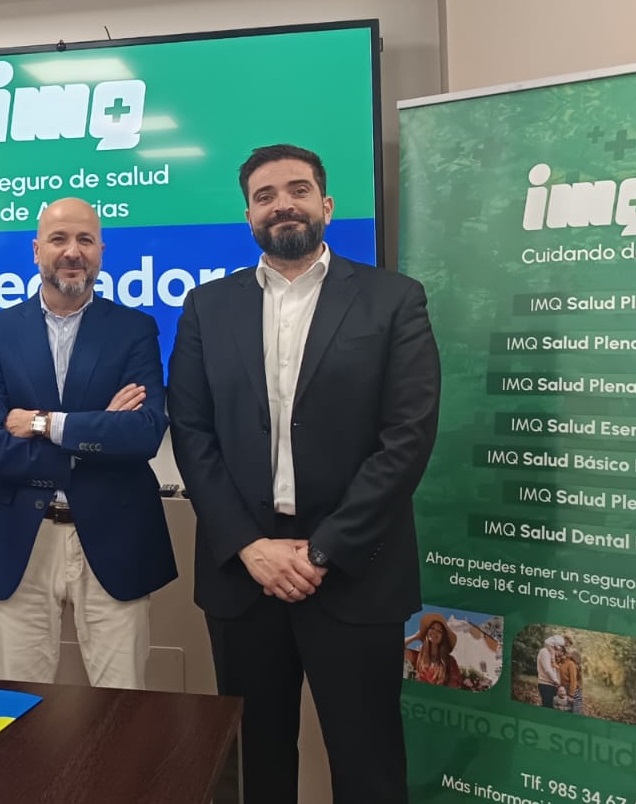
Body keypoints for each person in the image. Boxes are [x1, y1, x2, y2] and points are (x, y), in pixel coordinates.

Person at [168, 143, 441, 803]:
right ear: (248, 215)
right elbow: (193, 434)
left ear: (327, 204)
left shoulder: (393, 300)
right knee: (253, 766)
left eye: (297, 189)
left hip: (355, 571)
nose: (281, 204)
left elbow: (407, 438)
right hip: (244, 575)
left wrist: (323, 551)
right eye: (264, 196)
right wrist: (250, 546)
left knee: (368, 765)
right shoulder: (207, 307)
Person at [0, 197, 175, 690]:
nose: (72, 251)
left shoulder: (135, 330)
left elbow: (144, 433)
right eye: (58, 239)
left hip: (115, 534)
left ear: (101, 250)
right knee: (18, 703)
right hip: (21, 538)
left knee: (122, 702)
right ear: (37, 250)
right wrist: (97, 433)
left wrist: (45, 424)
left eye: (85, 240)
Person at [404, 612, 461, 689]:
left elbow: (454, 687)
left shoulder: (450, 660)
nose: (435, 632)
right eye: (432, 628)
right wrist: (416, 636)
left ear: (443, 638)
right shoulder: (419, 657)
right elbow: (396, 649)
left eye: (439, 631)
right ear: (427, 632)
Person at [537, 635, 565, 708]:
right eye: (558, 647)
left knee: (552, 707)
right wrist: (556, 680)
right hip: (546, 684)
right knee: (548, 706)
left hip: (552, 685)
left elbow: (554, 669)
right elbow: (547, 669)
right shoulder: (544, 652)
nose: (558, 649)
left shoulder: (551, 653)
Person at [558, 644, 583, 715]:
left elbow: (573, 681)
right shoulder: (562, 663)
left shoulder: (571, 664)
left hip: (574, 691)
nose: (560, 654)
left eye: (564, 652)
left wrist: (571, 694)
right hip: (565, 690)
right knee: (566, 711)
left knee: (575, 712)